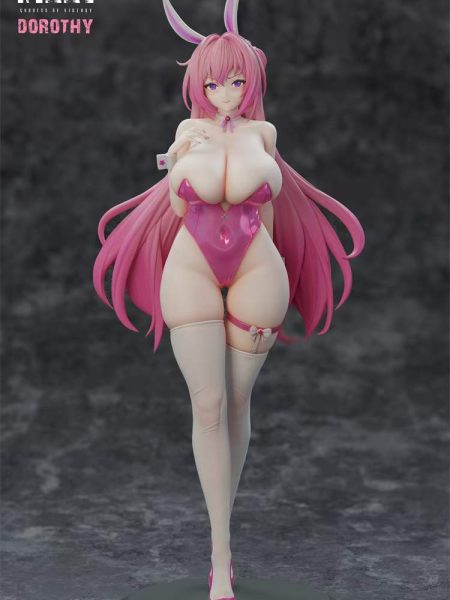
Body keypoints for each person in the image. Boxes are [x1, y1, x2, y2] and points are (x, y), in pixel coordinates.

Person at [93, 1, 365, 598]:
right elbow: (176, 208)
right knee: (209, 406)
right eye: (213, 83)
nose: (225, 94)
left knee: (238, 403)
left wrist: (276, 265)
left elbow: (269, 214)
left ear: (252, 82)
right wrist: (178, 157)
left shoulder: (264, 134)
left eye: (236, 81)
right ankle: (220, 557)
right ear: (198, 85)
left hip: (257, 268)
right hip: (190, 265)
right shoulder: (185, 132)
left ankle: (227, 548)